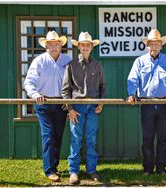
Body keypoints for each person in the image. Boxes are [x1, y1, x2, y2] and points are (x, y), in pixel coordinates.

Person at [127, 29, 166, 176]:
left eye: (157, 44)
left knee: (163, 137)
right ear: (147, 46)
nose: (154, 47)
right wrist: (131, 94)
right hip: (147, 104)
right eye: (151, 44)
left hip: (164, 104)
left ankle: (161, 168)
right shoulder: (140, 61)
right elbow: (132, 79)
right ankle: (148, 168)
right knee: (147, 138)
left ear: (161, 45)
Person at [24, 31, 71, 182]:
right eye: (50, 44)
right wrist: (35, 94)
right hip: (43, 102)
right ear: (46, 46)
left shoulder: (68, 60)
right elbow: (29, 82)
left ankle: (54, 166)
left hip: (61, 104)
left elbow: (74, 83)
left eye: (56, 44)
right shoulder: (39, 61)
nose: (54, 46)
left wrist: (69, 100)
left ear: (61, 45)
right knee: (48, 135)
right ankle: (49, 170)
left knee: (57, 136)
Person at [61, 32, 106, 184]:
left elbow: (102, 87)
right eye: (83, 45)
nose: (85, 47)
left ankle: (91, 170)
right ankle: (73, 171)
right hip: (77, 107)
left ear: (91, 47)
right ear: (78, 47)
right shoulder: (71, 65)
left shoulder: (97, 65)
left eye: (88, 45)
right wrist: (70, 109)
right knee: (75, 139)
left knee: (91, 139)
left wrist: (101, 103)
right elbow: (65, 90)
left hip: (92, 107)